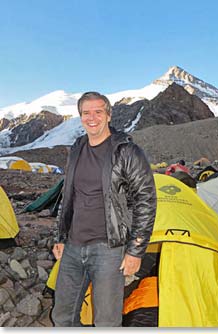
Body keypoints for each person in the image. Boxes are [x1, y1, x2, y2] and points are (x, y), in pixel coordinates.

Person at [51, 91, 157, 327]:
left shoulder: (127, 152)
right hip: (73, 247)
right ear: (80, 117)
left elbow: (145, 200)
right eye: (86, 113)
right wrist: (60, 236)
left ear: (108, 115)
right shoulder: (77, 148)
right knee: (62, 317)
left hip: (109, 249)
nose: (92, 117)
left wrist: (135, 251)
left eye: (98, 112)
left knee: (106, 322)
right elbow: (68, 195)